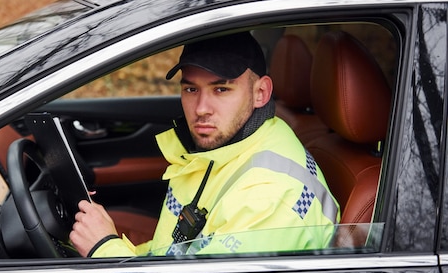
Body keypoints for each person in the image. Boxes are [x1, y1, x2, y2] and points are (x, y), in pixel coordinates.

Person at [69, 32, 340, 258]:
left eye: (221, 89)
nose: (201, 109)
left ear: (261, 93)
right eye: (191, 89)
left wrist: (104, 249)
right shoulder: (228, 147)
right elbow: (174, 253)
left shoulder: (269, 198)